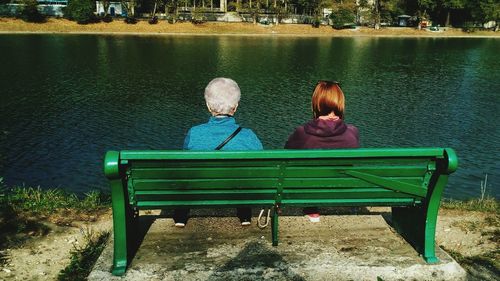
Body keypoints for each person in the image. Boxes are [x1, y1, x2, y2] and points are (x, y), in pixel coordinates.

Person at [173, 77, 263, 227]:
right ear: (236, 106)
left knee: (187, 174)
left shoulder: (194, 133)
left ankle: (181, 217)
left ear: (208, 106)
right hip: (238, 189)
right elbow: (261, 168)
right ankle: (245, 215)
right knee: (243, 174)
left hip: (200, 188)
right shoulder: (249, 135)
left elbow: (184, 164)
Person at [285, 80, 359, 222]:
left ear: (316, 103)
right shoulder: (352, 132)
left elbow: (285, 157)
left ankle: (312, 208)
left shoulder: (302, 133)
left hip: (312, 189)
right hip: (342, 189)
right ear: (340, 102)